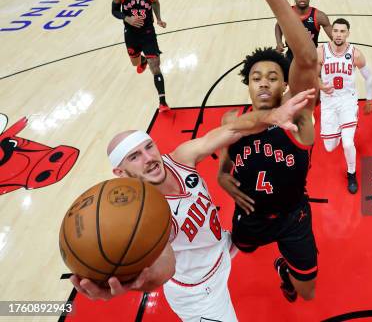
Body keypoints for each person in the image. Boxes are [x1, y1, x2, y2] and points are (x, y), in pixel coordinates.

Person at [69, 89, 315, 321]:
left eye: (149, 147)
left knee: (270, 216)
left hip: (222, 246)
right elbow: (164, 269)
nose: (149, 159)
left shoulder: (180, 158)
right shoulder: (143, 215)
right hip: (199, 291)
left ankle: (287, 267)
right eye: (135, 157)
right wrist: (139, 282)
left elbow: (231, 130)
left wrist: (273, 114)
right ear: (120, 172)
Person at [218, 0, 320, 303]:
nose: (264, 82)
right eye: (256, 77)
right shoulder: (234, 122)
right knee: (242, 248)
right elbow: (226, 160)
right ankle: (272, 255)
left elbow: (307, 57)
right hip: (252, 218)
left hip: (294, 218)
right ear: (248, 85)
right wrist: (224, 177)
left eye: (273, 77)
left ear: (284, 86)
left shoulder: (298, 116)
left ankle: (285, 269)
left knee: (307, 293)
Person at [318, 18, 372, 194]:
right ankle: (345, 126)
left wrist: (369, 100)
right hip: (328, 102)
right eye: (336, 31)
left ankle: (351, 174)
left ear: (348, 33)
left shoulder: (355, 53)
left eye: (342, 31)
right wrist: (320, 85)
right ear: (331, 32)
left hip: (347, 100)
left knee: (348, 144)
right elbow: (312, 75)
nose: (338, 34)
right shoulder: (321, 51)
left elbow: (369, 77)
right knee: (329, 146)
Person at [111, 0, 170, 112]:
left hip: (148, 33)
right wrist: (126, 18)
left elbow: (155, 2)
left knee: (155, 66)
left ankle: (163, 102)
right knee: (134, 62)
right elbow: (114, 11)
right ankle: (142, 60)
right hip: (131, 34)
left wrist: (159, 18)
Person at [274, 0, 332, 64]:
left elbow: (334, 37)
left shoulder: (319, 16)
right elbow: (278, 25)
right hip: (291, 56)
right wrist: (279, 42)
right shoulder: (287, 13)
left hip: (312, 57)